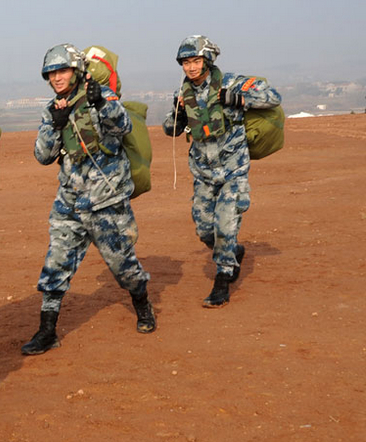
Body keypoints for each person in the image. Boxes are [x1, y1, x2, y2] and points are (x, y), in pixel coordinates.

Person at [22, 44, 155, 355]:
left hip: (107, 200)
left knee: (123, 266)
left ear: (77, 71)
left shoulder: (101, 97)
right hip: (69, 201)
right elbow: (43, 155)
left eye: (62, 70)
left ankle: (142, 302)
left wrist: (101, 104)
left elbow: (124, 126)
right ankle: (47, 330)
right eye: (51, 73)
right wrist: (55, 125)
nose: (56, 77)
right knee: (56, 265)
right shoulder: (51, 109)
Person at [162, 35, 281, 307]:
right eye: (186, 63)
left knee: (225, 226)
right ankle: (235, 251)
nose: (191, 68)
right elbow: (170, 129)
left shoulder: (231, 83)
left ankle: (223, 278)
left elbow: (273, 97)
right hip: (203, 173)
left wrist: (238, 99)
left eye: (195, 61)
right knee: (205, 229)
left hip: (232, 170)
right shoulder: (183, 94)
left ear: (208, 60)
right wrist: (177, 116)